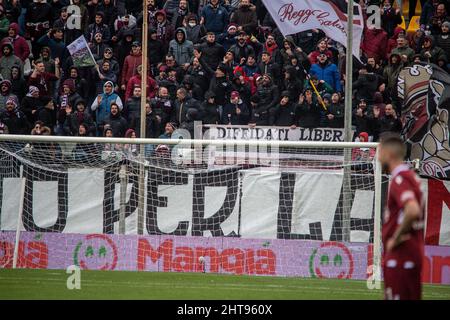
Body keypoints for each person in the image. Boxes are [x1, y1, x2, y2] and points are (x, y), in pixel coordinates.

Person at [378, 133, 425, 300]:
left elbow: (412, 210)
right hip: (410, 253)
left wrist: (395, 239)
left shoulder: (400, 179)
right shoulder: (411, 177)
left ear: (388, 154)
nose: (377, 158)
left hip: (401, 254)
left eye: (379, 152)